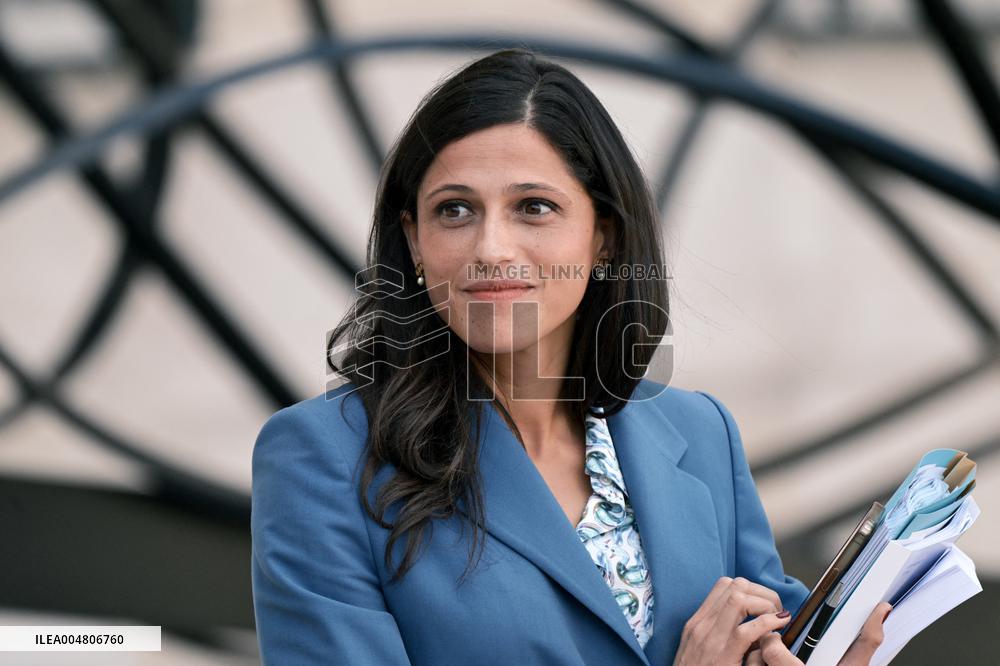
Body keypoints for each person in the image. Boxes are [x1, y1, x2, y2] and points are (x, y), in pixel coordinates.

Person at [250, 47, 891, 665]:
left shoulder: (702, 434)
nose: (492, 248)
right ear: (414, 238)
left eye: (534, 207)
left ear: (603, 236)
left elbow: (766, 636)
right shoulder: (322, 458)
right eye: (454, 210)